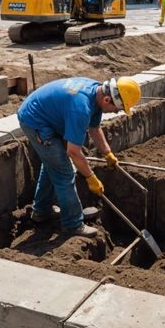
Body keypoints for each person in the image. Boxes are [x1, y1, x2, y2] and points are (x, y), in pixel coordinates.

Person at [17, 77, 142, 237]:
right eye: (117, 108)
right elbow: (73, 152)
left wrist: (107, 153)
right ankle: (73, 224)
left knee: (53, 165)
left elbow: (95, 129)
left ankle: (41, 211)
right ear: (107, 99)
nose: (116, 112)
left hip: (48, 116)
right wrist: (90, 177)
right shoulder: (81, 108)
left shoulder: (96, 93)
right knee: (65, 172)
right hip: (35, 122)